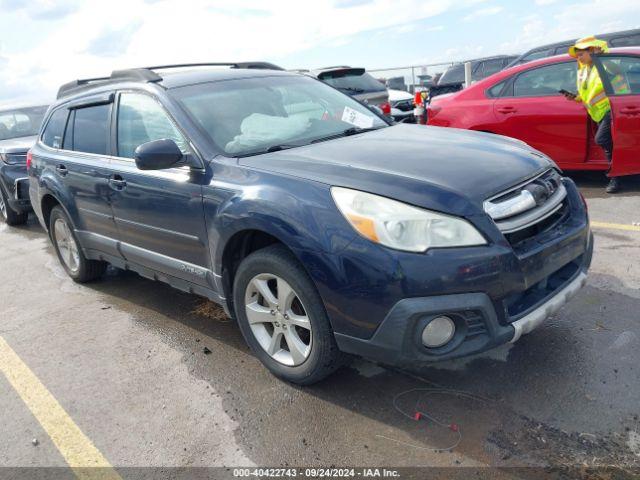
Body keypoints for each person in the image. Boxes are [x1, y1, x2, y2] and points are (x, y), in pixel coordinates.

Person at [564, 36, 628, 194]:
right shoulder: (584, 70)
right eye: (577, 55)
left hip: (613, 109)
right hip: (598, 113)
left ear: (591, 51)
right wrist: (576, 97)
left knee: (602, 139)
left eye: (581, 54)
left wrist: (602, 57)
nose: (578, 58)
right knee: (610, 143)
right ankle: (618, 173)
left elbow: (617, 71)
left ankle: (616, 177)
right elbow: (588, 93)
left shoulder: (603, 64)